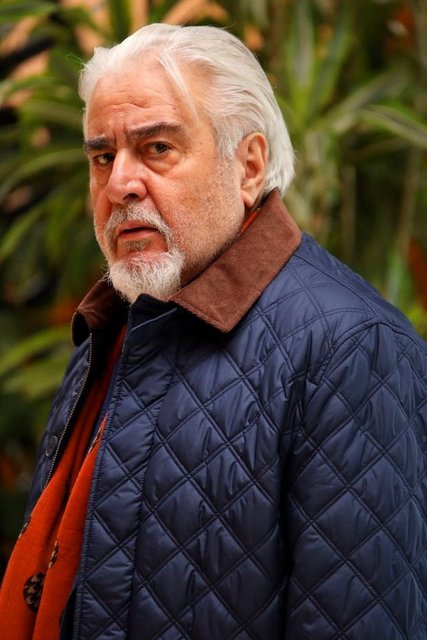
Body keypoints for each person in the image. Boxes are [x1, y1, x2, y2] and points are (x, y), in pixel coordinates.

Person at [0, 23, 426, 640]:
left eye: (157, 148)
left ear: (248, 166)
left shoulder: (352, 347)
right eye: (103, 157)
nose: (119, 184)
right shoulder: (117, 321)